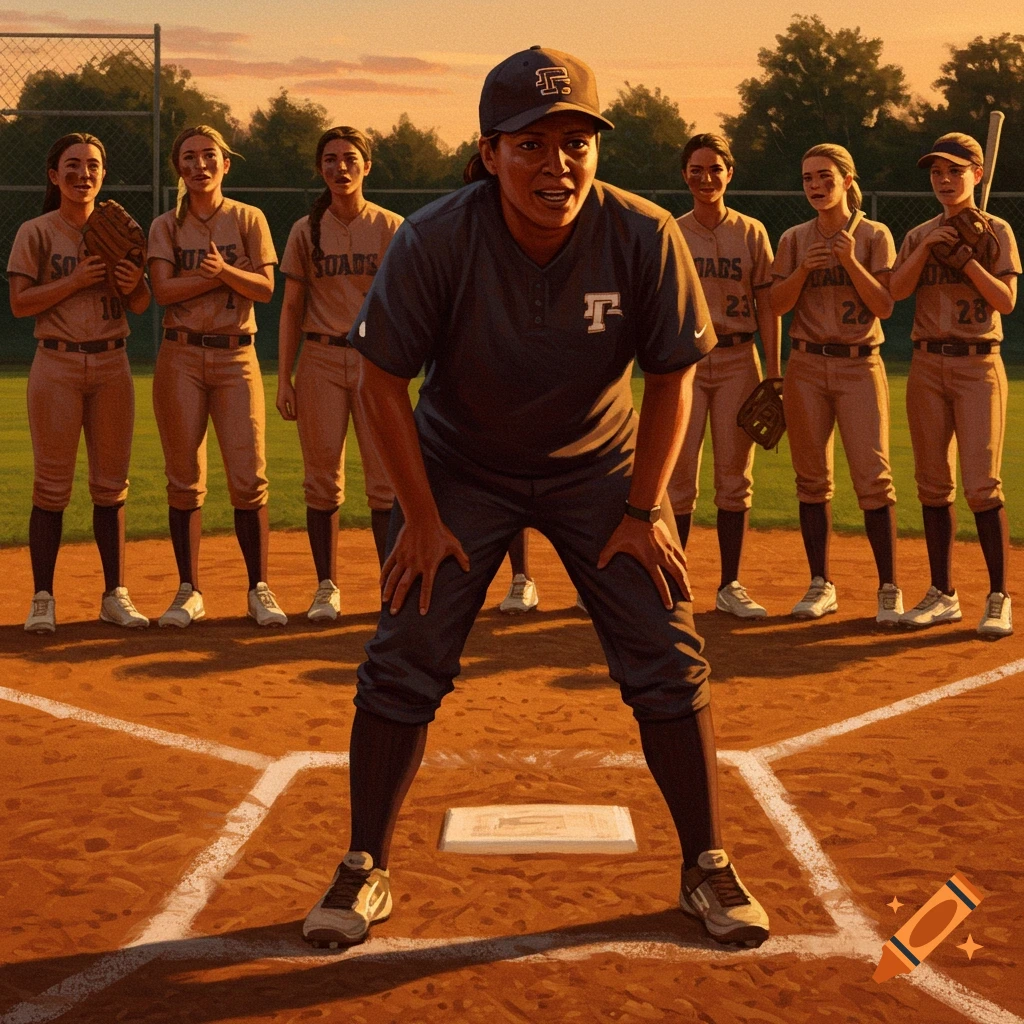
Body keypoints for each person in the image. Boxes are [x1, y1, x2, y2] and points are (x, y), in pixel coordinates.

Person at [302, 46, 769, 952]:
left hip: (597, 470)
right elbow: (379, 381)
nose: (556, 164)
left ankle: (706, 862)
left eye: (575, 141)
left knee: (667, 650)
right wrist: (424, 523)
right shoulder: (435, 237)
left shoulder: (642, 234)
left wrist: (642, 514)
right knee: (406, 648)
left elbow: (675, 374)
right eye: (530, 144)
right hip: (461, 468)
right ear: (488, 151)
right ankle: (364, 865)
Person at [9, 133, 151, 634]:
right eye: (71, 166)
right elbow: (20, 304)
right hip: (57, 364)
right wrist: (74, 280)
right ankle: (43, 598)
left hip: (113, 364)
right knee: (51, 486)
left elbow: (139, 304)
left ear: (102, 175)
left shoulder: (120, 229)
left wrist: (134, 285)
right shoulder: (36, 231)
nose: (82, 174)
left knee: (111, 486)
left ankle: (114, 594)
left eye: (92, 165)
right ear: (54, 176)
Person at [148, 125, 285, 627]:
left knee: (249, 478)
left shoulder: (249, 218)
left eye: (210, 156)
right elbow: (161, 292)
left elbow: (267, 289)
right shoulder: (165, 225)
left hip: (235, 357)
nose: (199, 165)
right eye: (189, 157)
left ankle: (259, 588)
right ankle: (189, 590)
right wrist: (223, 273)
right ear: (178, 168)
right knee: (184, 480)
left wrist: (222, 273)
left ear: (226, 164)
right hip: (180, 355)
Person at [889, 132, 1019, 637]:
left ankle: (998, 596)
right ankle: (942, 593)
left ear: (977, 175)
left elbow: (1005, 302)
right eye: (937, 173)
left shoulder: (997, 231)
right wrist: (928, 248)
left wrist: (966, 257)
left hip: (977, 363)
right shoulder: (921, 232)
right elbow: (895, 291)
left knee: (982, 485)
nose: (944, 180)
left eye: (955, 172)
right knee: (932, 482)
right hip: (926, 363)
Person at [769, 144, 903, 624]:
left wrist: (849, 262)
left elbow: (884, 305)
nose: (815, 185)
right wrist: (805, 267)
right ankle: (820, 583)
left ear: (847, 180)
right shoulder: (793, 239)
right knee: (811, 479)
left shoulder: (873, 235)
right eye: (807, 178)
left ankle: (888, 588)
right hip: (806, 364)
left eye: (825, 176)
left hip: (859, 363)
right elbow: (777, 305)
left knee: (873, 477)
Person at [277, 127, 403, 621]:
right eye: (329, 159)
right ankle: (326, 586)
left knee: (384, 484)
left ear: (367, 166)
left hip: (375, 363)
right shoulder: (305, 230)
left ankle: (391, 585)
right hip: (322, 360)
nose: (340, 167)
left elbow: (405, 301)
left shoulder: (392, 226)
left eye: (350, 158)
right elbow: (290, 308)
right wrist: (285, 377)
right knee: (322, 481)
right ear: (320, 168)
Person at [668, 133, 781, 618]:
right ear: (685, 175)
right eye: (696, 169)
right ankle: (675, 582)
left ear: (729, 174)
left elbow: (769, 306)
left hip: (739, 359)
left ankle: (730, 585)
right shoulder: (672, 231)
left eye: (715, 168)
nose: (706, 177)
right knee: (678, 480)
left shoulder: (751, 231)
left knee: (735, 479)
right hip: (688, 364)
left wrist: (773, 374)